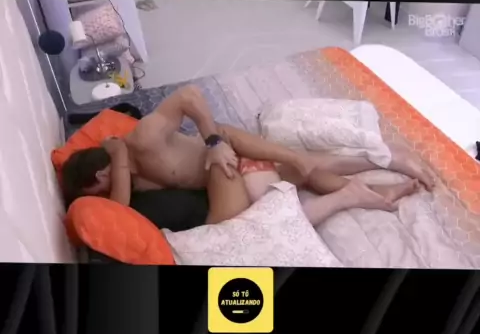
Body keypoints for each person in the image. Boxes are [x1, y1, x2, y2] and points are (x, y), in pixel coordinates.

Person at [61, 85, 435, 227]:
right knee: (301, 169)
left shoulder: (143, 140)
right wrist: (116, 154)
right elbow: (118, 209)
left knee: (291, 167)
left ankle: (382, 168)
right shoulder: (131, 177)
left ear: (100, 176)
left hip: (228, 161)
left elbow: (189, 95)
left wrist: (212, 142)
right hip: (230, 177)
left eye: (100, 190)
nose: (108, 196)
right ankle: (381, 166)